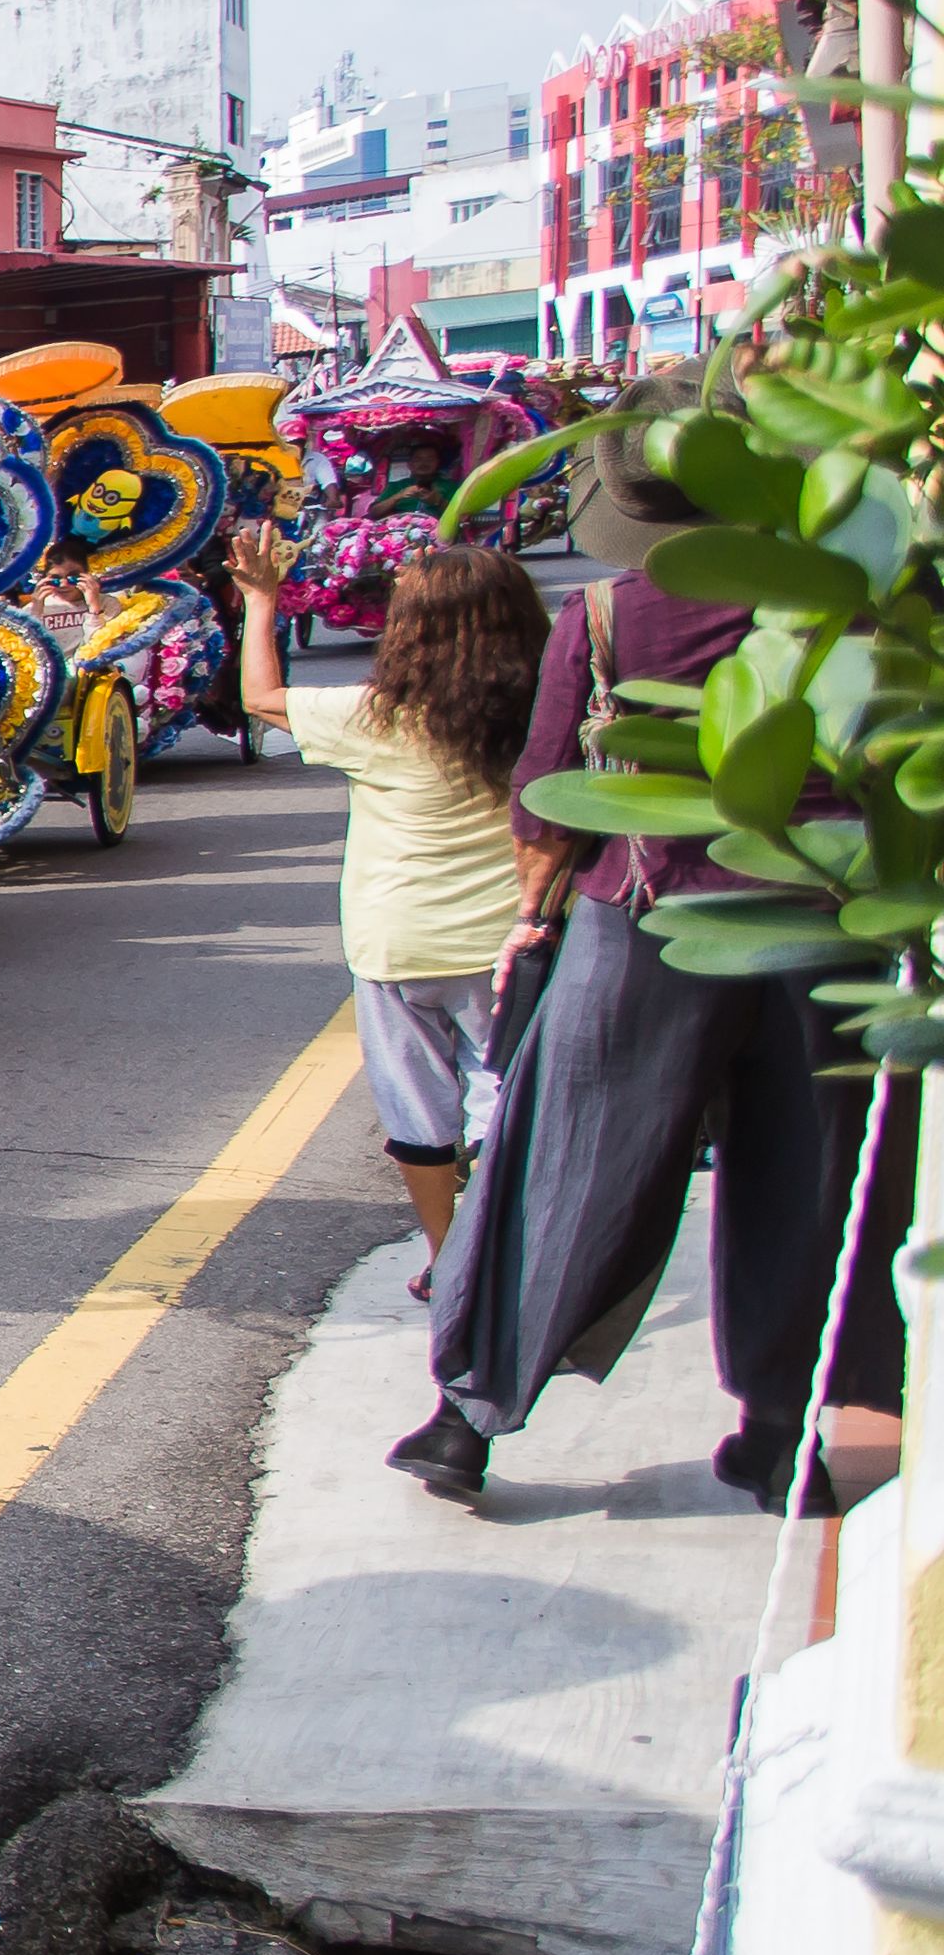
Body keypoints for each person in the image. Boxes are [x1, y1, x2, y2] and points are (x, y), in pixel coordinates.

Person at [392, 373, 915, 1511]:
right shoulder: (840, 608)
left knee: (565, 1161)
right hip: (823, 920)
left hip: (647, 915)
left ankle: (466, 1420)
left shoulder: (611, 613)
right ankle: (784, 1436)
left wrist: (530, 918)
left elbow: (548, 798)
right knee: (815, 1177)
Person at [230, 523, 541, 1295]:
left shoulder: (378, 717)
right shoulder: (544, 715)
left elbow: (261, 698)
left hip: (396, 944)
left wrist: (261, 602)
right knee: (509, 1101)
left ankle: (447, 1258)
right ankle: (514, 1256)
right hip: (509, 942)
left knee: (416, 1109)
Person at [24, 540, 103, 654]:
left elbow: (101, 647)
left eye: (73, 577)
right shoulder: (30, 610)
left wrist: (94, 609)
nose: (64, 584)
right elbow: (29, 652)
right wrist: (36, 612)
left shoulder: (107, 604)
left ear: (87, 574)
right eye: (55, 579)